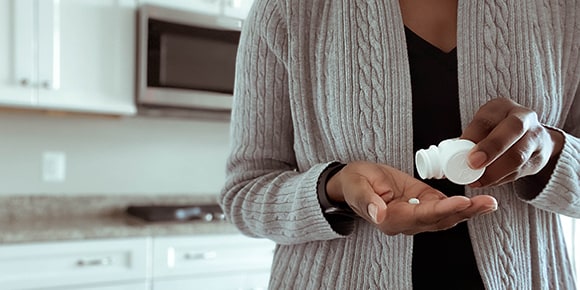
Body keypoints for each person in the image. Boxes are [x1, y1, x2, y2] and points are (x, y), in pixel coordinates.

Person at [219, 0, 580, 289]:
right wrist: (336, 189)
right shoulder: (288, 9)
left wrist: (549, 151)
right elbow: (244, 195)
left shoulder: (565, 12)